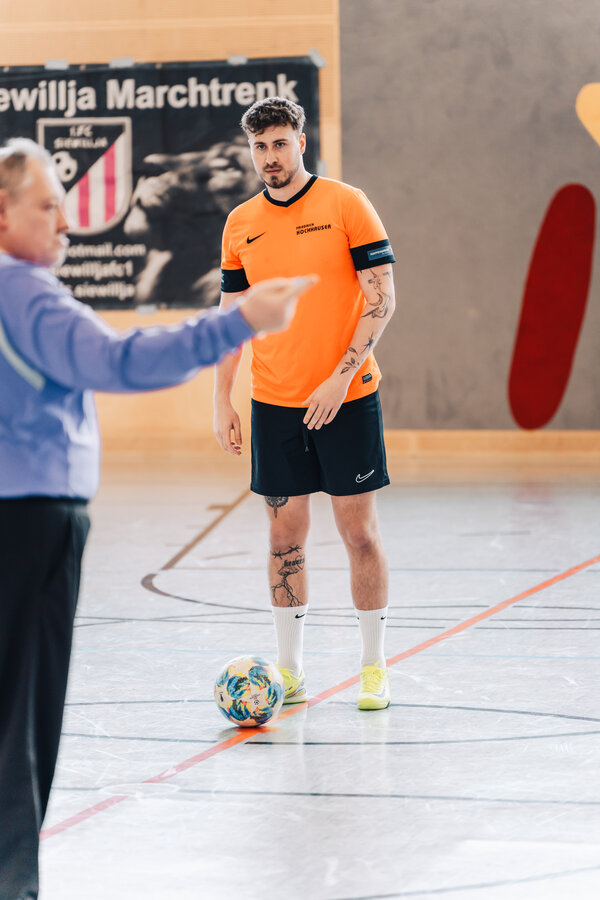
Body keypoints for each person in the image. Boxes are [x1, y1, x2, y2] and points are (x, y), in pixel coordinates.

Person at [0, 136, 315, 900]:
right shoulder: (25, 293)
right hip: (30, 522)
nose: (67, 228)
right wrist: (239, 323)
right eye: (48, 208)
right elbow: (119, 362)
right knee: (22, 721)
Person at [213, 97, 396, 713]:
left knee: (358, 533)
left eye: (280, 143)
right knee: (283, 537)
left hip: (347, 398)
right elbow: (231, 319)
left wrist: (340, 379)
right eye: (260, 146)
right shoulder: (240, 222)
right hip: (275, 405)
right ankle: (289, 673)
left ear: (301, 141)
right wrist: (224, 401)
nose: (270, 156)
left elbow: (381, 300)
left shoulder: (347, 203)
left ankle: (373, 667)